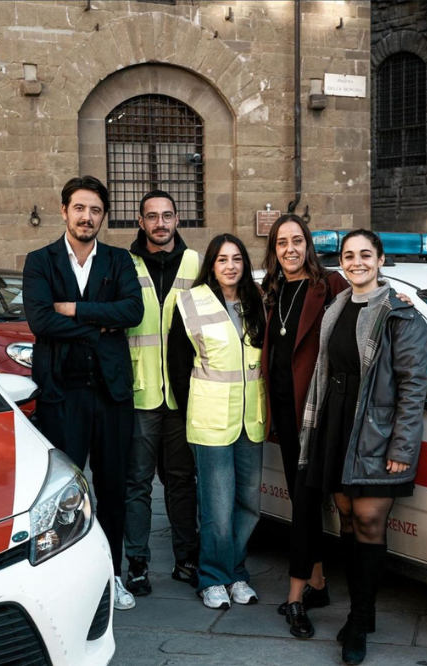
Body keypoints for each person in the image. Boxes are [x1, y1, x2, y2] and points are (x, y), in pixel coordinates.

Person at [298, 229, 427, 665]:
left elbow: (413, 388)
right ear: (341, 262)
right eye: (349, 255)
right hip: (337, 424)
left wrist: (402, 449)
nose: (357, 262)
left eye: (366, 255)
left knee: (370, 521)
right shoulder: (337, 307)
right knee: (348, 521)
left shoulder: (401, 315)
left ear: (381, 260)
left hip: (376, 429)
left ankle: (359, 620)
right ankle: (363, 612)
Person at [22, 175, 144, 611]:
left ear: (103, 216)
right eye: (79, 208)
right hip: (62, 394)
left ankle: (112, 574)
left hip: (112, 394)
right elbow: (40, 320)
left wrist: (74, 309)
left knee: (112, 490)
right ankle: (63, 582)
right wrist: (98, 328)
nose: (86, 217)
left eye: (95, 210)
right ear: (64, 211)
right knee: (61, 494)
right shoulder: (40, 261)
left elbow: (133, 310)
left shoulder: (118, 260)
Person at [259, 214, 349, 639]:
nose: (290, 249)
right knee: (302, 500)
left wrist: (396, 302)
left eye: (297, 241)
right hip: (283, 411)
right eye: (282, 243)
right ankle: (318, 584)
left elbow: (366, 307)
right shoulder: (272, 291)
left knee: (304, 503)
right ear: (274, 250)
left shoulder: (329, 285)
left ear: (308, 245)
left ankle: (296, 597)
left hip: (315, 413)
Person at [167, 234, 268, 610]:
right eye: (223, 259)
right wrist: (190, 411)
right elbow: (178, 365)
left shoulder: (257, 300)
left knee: (249, 503)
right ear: (211, 264)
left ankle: (236, 572)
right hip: (210, 420)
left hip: (250, 418)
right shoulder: (190, 301)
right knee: (217, 506)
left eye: (237, 259)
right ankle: (212, 577)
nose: (230, 266)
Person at [123, 190, 201, 595]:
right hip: (140, 393)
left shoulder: (196, 263)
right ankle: (137, 564)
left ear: (177, 220)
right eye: (151, 216)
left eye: (167, 215)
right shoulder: (124, 264)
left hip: (183, 394)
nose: (160, 223)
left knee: (181, 480)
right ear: (141, 221)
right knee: (137, 482)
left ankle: (186, 559)